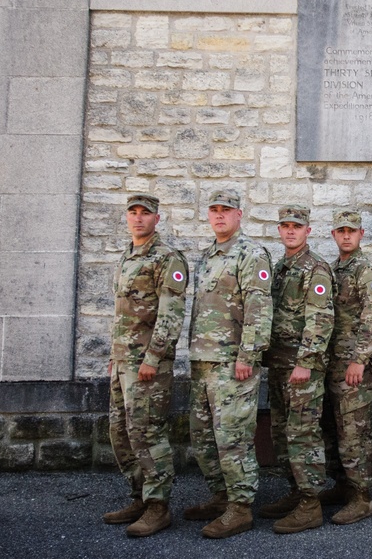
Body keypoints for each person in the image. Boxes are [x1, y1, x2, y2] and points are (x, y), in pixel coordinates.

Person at [185, 189, 274, 539]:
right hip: (203, 360)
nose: (220, 216)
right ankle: (221, 496)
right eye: (214, 210)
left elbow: (259, 307)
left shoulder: (250, 254)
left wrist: (248, 356)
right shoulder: (207, 256)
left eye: (227, 210)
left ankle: (240, 508)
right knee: (204, 437)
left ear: (240, 214)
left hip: (232, 363)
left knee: (233, 437)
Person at [103, 194, 188, 537]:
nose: (138, 219)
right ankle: (138, 496)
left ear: (157, 218)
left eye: (145, 214)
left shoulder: (167, 258)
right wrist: (114, 357)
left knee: (147, 433)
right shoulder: (128, 256)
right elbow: (123, 314)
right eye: (133, 213)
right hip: (123, 360)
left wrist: (153, 357)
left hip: (147, 364)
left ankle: (158, 506)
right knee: (120, 432)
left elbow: (171, 313)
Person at [259, 205, 335, 534]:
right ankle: (295, 491)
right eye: (285, 225)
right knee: (281, 432)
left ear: (308, 230)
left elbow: (320, 319)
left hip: (301, 367)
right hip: (278, 363)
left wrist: (306, 361)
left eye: (297, 226)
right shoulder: (280, 268)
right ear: (279, 230)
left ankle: (310, 503)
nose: (290, 231)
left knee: (302, 433)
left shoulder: (315, 267)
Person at [318, 209, 372, 524]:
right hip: (330, 364)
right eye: (340, 231)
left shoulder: (368, 270)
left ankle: (362, 497)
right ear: (333, 234)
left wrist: (359, 359)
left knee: (354, 431)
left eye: (352, 231)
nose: (346, 236)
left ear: (361, 234)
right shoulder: (331, 270)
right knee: (333, 429)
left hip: (353, 367)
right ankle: (343, 485)